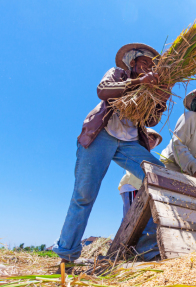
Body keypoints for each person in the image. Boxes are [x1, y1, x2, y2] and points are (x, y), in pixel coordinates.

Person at [52, 43, 171, 265]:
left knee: (159, 178)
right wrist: (138, 82)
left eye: (151, 65)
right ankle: (67, 255)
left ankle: (145, 251)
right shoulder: (118, 74)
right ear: (133, 63)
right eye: (144, 62)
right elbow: (103, 90)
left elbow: (150, 120)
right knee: (84, 195)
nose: (148, 67)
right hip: (102, 135)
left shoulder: (149, 89)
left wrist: (161, 99)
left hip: (129, 144)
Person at [118, 128, 163, 218]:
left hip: (142, 187)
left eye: (154, 138)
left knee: (140, 219)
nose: (151, 140)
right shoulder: (135, 151)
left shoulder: (148, 156)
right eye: (148, 137)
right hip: (132, 186)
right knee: (132, 218)